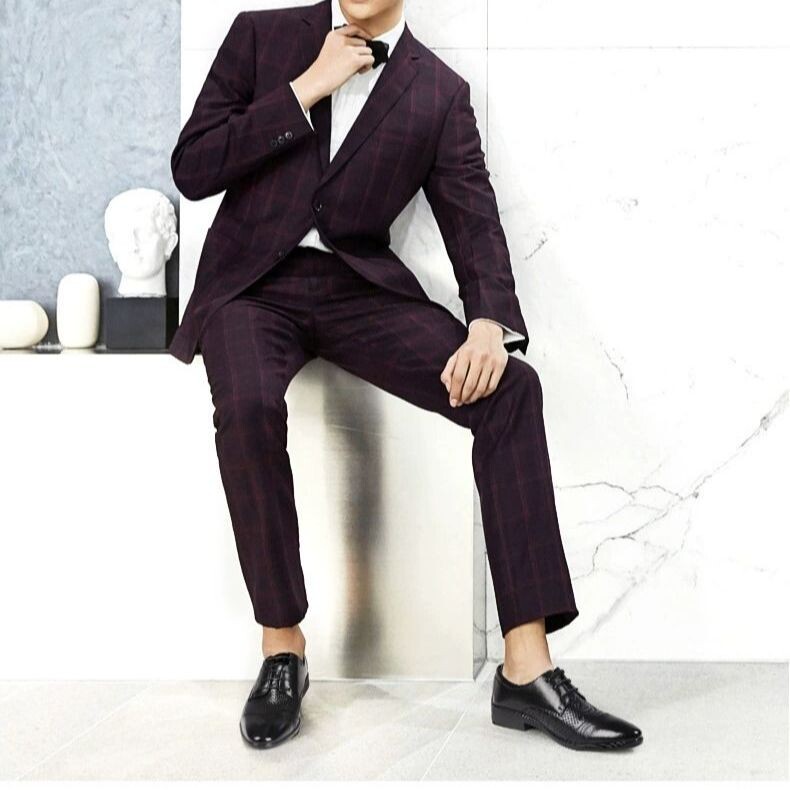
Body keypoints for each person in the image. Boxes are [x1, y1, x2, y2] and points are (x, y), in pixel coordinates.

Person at [170, 0, 643, 753]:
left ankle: (526, 668)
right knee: (250, 405)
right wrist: (304, 88)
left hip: (358, 291)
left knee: (511, 389)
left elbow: (473, 216)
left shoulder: (437, 91)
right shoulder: (261, 36)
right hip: (251, 288)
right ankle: (282, 648)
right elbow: (193, 168)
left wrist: (488, 321)